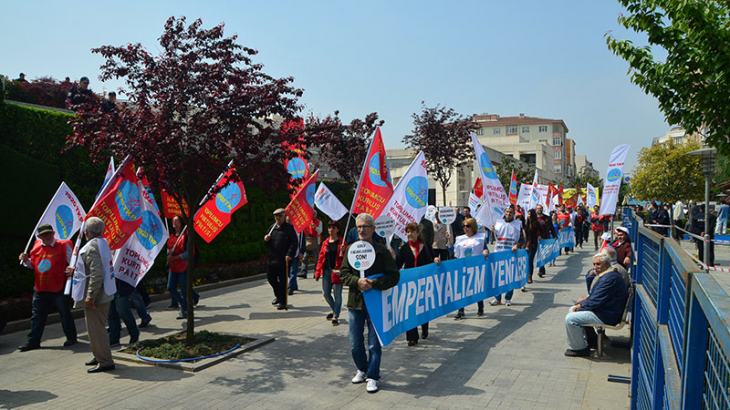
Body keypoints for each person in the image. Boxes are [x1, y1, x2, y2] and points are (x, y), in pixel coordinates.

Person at [340, 213, 399, 394]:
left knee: (374, 343)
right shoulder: (351, 249)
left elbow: (394, 276)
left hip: (375, 303)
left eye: (365, 226)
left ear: (373, 229)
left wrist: (374, 283)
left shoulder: (381, 251)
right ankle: (362, 369)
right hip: (355, 303)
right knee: (354, 342)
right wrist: (357, 281)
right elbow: (343, 273)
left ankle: (373, 376)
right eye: (358, 226)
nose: (361, 230)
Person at [17, 224, 78, 351]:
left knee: (65, 314)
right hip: (41, 287)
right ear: (39, 236)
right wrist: (26, 260)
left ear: (53, 233)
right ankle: (33, 341)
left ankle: (71, 338)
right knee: (37, 316)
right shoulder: (36, 246)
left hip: (59, 287)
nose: (47, 236)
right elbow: (34, 266)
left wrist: (73, 269)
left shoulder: (63, 245)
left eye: (48, 233)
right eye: (43, 235)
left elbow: (73, 262)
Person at [68, 217, 116, 372]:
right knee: (97, 328)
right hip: (105, 292)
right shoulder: (103, 243)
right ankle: (99, 355)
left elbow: (96, 273)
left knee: (96, 330)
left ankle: (105, 361)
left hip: (97, 297)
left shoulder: (91, 247)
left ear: (87, 232)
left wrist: (90, 296)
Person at [564, 252, 628, 357]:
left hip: (608, 315)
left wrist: (580, 306)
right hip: (607, 310)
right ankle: (592, 340)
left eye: (598, 264)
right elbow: (595, 296)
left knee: (570, 318)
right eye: (594, 264)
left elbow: (595, 301)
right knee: (576, 311)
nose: (595, 267)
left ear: (607, 264)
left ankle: (579, 349)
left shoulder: (609, 278)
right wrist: (582, 304)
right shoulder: (609, 275)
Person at [396, 222, 439, 346]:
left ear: (417, 232)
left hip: (424, 283)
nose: (409, 234)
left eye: (412, 231)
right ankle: (412, 337)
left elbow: (431, 261)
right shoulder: (404, 248)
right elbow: (397, 265)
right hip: (409, 284)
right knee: (410, 309)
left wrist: (435, 260)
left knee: (423, 308)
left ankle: (424, 327)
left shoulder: (425, 246)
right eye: (407, 232)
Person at [454, 217, 490, 319]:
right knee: (461, 289)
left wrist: (485, 252)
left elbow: (485, 249)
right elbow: (456, 254)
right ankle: (461, 310)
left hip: (475, 268)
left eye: (468, 226)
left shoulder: (480, 238)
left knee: (476, 288)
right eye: (464, 226)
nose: (466, 228)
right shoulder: (460, 238)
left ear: (473, 227)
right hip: (462, 267)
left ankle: (480, 307)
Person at [491, 206, 525, 306]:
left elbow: (522, 239)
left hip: (511, 254)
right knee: (497, 277)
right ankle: (497, 298)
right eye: (507, 212)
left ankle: (508, 298)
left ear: (513, 214)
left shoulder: (518, 224)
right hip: (498, 253)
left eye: (510, 212)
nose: (508, 214)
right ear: (504, 213)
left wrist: (517, 245)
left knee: (510, 277)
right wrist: (493, 231)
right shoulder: (498, 223)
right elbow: (494, 238)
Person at [167, 216, 200, 319]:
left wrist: (177, 257)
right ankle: (184, 304)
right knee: (170, 287)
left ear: (181, 223)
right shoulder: (171, 237)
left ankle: (184, 310)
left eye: (177, 221)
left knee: (183, 289)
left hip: (183, 266)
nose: (175, 223)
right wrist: (169, 254)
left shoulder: (186, 236)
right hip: (173, 267)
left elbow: (190, 252)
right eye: (173, 222)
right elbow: (168, 250)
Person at [264, 208, 297, 310]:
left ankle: (283, 302)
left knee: (283, 281)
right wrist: (266, 239)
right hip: (272, 259)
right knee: (271, 279)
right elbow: (268, 242)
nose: (277, 218)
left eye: (280, 216)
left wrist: (289, 254)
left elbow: (294, 243)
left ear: (284, 216)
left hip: (283, 260)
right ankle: (278, 296)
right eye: (276, 216)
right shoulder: (272, 228)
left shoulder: (289, 228)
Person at [314, 221, 343, 326]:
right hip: (326, 272)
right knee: (326, 294)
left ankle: (335, 315)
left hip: (337, 272)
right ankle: (335, 309)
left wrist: (342, 270)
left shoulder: (342, 243)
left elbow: (346, 259)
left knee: (337, 295)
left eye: (333, 227)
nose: (331, 229)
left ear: (337, 230)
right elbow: (321, 258)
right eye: (329, 227)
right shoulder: (325, 242)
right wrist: (317, 271)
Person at [107, 278, 140, 346]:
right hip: (109, 287)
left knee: (123, 311)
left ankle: (134, 334)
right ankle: (114, 338)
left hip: (121, 287)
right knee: (111, 314)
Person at [534, 205, 556, 279]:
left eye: (540, 208)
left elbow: (551, 227)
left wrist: (554, 235)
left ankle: (541, 268)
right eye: (538, 208)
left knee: (543, 254)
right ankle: (541, 268)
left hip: (545, 238)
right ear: (535, 209)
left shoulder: (547, 218)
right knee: (537, 254)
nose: (539, 210)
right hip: (535, 239)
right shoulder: (533, 218)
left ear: (542, 209)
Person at [287, 222, 306, 296]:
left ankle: (290, 288)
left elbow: (302, 242)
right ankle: (294, 285)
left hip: (296, 254)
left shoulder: (300, 230)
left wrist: (301, 252)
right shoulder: (287, 229)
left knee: (293, 271)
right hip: (288, 254)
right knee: (289, 272)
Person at [524, 209, 540, 284]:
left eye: (530, 214)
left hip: (533, 244)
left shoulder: (536, 223)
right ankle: (525, 275)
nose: (529, 215)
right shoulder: (526, 222)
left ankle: (530, 276)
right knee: (525, 261)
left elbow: (538, 233)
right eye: (528, 214)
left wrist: (539, 236)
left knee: (530, 260)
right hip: (525, 244)